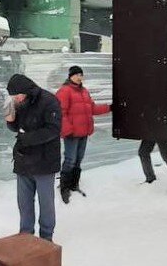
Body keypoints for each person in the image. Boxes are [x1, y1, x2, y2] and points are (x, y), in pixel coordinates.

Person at [6, 74, 62, 241]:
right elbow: (18, 126)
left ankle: (46, 237)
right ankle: (25, 235)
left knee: (46, 203)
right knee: (24, 202)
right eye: (13, 97)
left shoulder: (49, 101)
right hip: (23, 160)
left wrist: (26, 139)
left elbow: (53, 130)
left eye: (17, 95)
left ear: (27, 91)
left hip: (44, 161)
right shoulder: (19, 102)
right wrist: (11, 121)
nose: (16, 99)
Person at [56, 65, 111, 204]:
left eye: (81, 75)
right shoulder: (65, 91)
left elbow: (92, 108)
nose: (79, 77)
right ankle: (64, 187)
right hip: (72, 134)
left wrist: (109, 107)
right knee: (70, 160)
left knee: (78, 159)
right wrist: (67, 130)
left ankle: (74, 184)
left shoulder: (84, 91)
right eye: (76, 75)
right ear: (70, 76)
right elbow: (60, 113)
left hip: (83, 132)